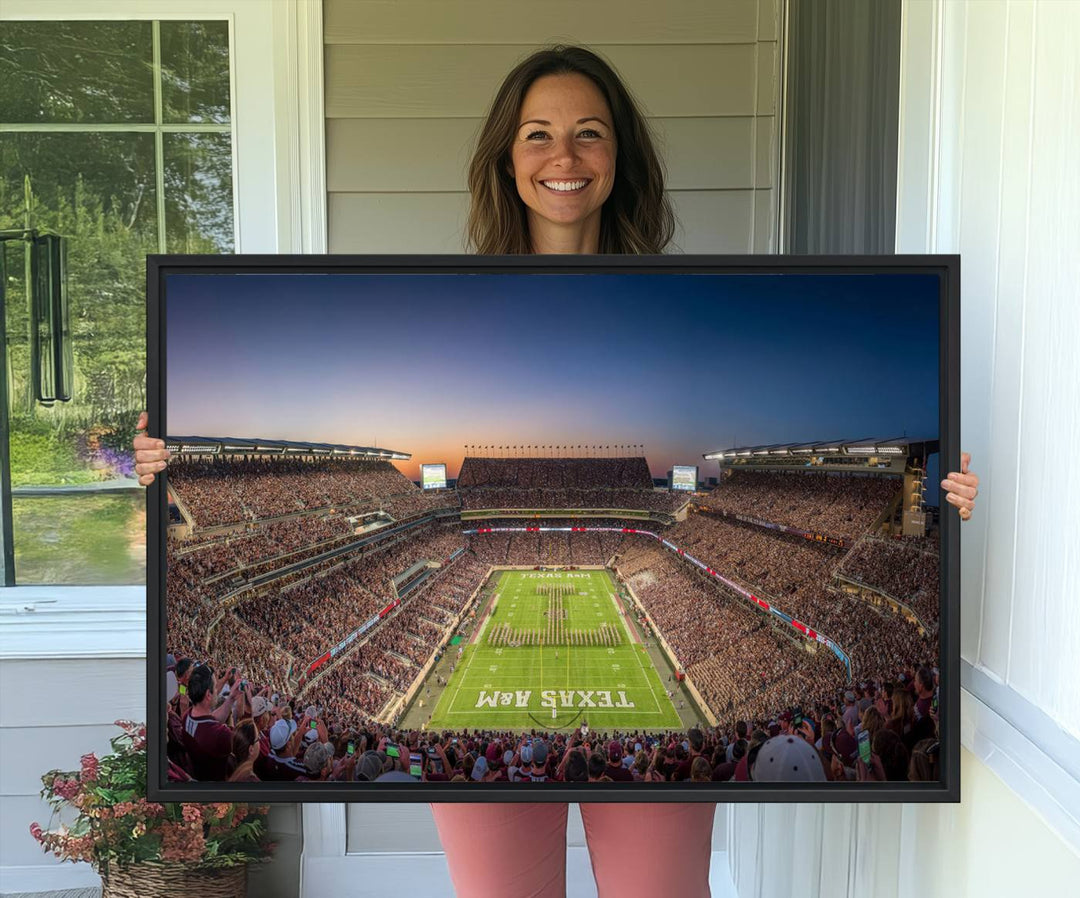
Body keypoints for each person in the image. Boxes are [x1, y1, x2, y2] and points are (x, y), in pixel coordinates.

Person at [135, 42, 981, 898]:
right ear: (506, 157)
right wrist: (167, 468)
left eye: (590, 133)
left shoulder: (673, 302)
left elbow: (912, 501)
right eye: (537, 134)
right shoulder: (454, 303)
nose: (564, 157)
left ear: (621, 157)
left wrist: (932, 505)